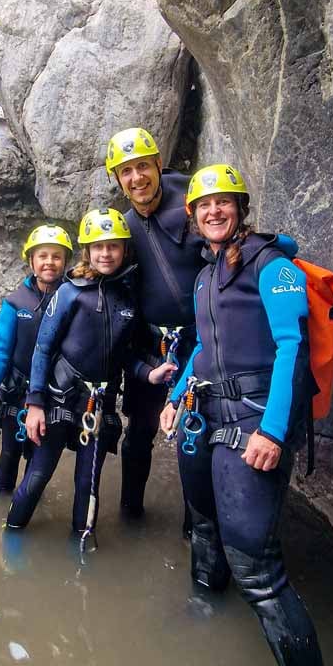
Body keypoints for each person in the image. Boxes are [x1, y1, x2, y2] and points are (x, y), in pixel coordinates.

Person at [160, 164, 333, 666]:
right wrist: (175, 399)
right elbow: (200, 346)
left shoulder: (273, 268)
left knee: (256, 562)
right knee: (201, 521)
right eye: (204, 205)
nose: (214, 212)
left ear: (240, 209)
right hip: (205, 414)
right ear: (193, 217)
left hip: (252, 423)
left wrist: (274, 431)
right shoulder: (204, 279)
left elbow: (292, 347)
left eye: (224, 203)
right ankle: (204, 601)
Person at [7, 208, 176, 539]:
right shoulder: (70, 292)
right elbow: (43, 348)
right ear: (87, 251)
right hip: (59, 397)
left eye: (113, 246)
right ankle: (11, 534)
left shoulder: (128, 298)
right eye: (98, 247)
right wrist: (36, 403)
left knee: (88, 483)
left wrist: (148, 374)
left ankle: (81, 545)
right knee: (39, 473)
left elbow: (125, 354)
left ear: (124, 250)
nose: (105, 253)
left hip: (99, 405)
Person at [104, 127, 203, 529]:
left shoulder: (195, 207)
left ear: (158, 165)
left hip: (201, 339)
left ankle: (194, 528)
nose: (136, 178)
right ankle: (130, 514)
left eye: (142, 166)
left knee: (198, 429)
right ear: (117, 179)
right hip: (150, 344)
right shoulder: (124, 227)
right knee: (140, 431)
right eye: (125, 171)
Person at [0, 226, 72, 493]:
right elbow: (1, 349)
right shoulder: (16, 302)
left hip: (52, 392)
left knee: (37, 451)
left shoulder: (74, 298)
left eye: (56, 256)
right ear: (31, 261)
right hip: (16, 389)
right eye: (42, 256)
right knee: (9, 452)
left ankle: (25, 504)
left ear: (66, 261)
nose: (49, 262)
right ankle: (0, 505)